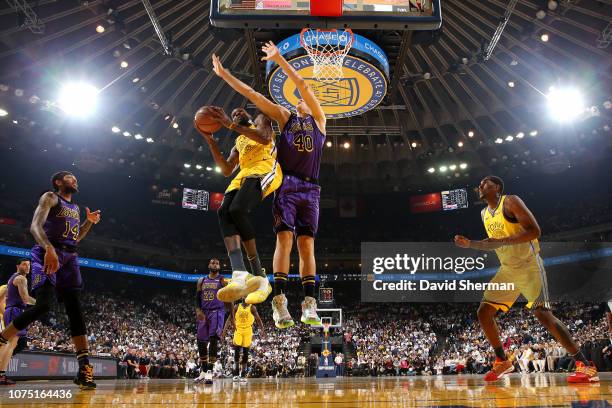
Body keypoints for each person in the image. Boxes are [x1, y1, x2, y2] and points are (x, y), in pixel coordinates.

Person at [212, 39, 326, 328]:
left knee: (307, 246)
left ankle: (310, 303)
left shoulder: (320, 121)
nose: (300, 99)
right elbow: (252, 95)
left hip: (311, 189)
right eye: (298, 99)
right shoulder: (285, 118)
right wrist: (225, 76)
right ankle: (279, 302)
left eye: (304, 98)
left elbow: (302, 84)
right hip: (286, 185)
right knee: (285, 240)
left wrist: (280, 58)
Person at [455, 175, 599, 383]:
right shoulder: (484, 213)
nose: (480, 185)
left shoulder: (511, 201)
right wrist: (471, 244)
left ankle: (585, 364)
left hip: (529, 265)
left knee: (542, 314)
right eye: (480, 183)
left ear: (497, 187)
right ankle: (502, 360)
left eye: (485, 182)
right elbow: (493, 243)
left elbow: (534, 231)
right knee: (484, 312)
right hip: (507, 270)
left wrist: (503, 241)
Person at [0, 171, 101, 389]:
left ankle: (84, 368)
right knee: (44, 305)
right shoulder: (50, 197)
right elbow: (35, 226)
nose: (75, 180)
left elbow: (75, 238)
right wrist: (48, 248)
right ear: (58, 182)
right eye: (70, 177)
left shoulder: (74, 208)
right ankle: (1, 338)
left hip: (69, 257)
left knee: (75, 310)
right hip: (47, 253)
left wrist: (89, 223)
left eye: (76, 178)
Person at [197, 106, 281, 305]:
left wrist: (229, 123)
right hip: (243, 174)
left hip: (265, 168)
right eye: (234, 113)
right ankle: (240, 272)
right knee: (224, 212)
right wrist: (211, 143)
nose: (237, 113)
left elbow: (264, 138)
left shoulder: (261, 120)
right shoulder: (238, 140)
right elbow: (226, 169)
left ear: (248, 115)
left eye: (240, 111)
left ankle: (259, 273)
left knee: (238, 209)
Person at [194, 258, 232, 384]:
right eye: (212, 262)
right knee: (200, 341)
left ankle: (209, 372)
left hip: (217, 312)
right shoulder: (202, 280)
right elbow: (197, 298)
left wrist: (232, 316)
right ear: (208, 265)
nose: (214, 264)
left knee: (214, 340)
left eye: (217, 263)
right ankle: (203, 371)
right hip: (204, 312)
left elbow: (230, 298)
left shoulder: (223, 280)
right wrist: (198, 310)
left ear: (219, 266)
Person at [0, 259, 35, 385]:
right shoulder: (21, 278)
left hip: (12, 311)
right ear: (17, 266)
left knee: (11, 344)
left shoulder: (11, 279)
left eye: (29, 265)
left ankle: (1, 374)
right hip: (15, 311)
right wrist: (40, 304)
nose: (27, 267)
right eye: (24, 264)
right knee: (10, 344)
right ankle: (1, 374)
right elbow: (25, 299)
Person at [222, 298, 265, 383]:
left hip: (248, 330)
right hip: (238, 329)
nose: (244, 298)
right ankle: (236, 374)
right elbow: (229, 318)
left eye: (246, 296)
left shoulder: (252, 308)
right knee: (237, 352)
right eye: (243, 296)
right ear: (241, 297)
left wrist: (262, 330)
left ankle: (243, 374)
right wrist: (224, 331)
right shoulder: (236, 306)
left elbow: (258, 319)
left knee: (245, 353)